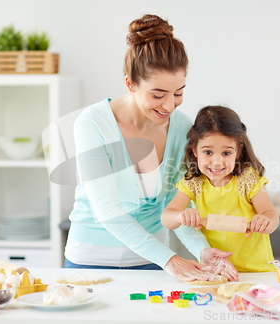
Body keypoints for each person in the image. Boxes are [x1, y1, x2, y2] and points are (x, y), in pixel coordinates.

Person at [64, 14, 238, 282]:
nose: (169, 106)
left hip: (151, 262)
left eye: (178, 93)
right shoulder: (92, 123)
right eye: (158, 95)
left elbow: (176, 203)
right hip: (89, 260)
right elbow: (107, 211)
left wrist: (201, 250)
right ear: (130, 84)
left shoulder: (181, 127)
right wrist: (169, 259)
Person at [161, 105, 280, 272]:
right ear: (195, 150)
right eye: (208, 152)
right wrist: (181, 215)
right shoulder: (194, 182)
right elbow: (167, 218)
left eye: (226, 153)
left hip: (256, 270)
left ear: (238, 151)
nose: (217, 162)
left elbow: (271, 216)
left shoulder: (248, 179)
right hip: (216, 269)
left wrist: (265, 221)